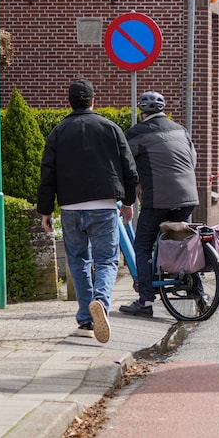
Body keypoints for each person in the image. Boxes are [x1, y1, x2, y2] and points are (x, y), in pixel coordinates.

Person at [37, 79, 138, 343]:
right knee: (106, 260)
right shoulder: (111, 128)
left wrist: (45, 210)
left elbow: (48, 173)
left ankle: (85, 320)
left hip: (70, 208)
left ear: (68, 103)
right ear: (94, 101)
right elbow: (129, 168)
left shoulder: (58, 132)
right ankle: (101, 304)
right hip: (104, 206)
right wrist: (128, 202)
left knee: (78, 261)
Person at [119, 91, 199, 318]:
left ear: (142, 112)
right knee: (179, 240)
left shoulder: (136, 133)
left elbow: (126, 166)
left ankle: (145, 301)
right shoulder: (181, 130)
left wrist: (133, 189)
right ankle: (196, 288)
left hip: (158, 199)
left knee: (142, 247)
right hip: (188, 197)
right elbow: (192, 160)